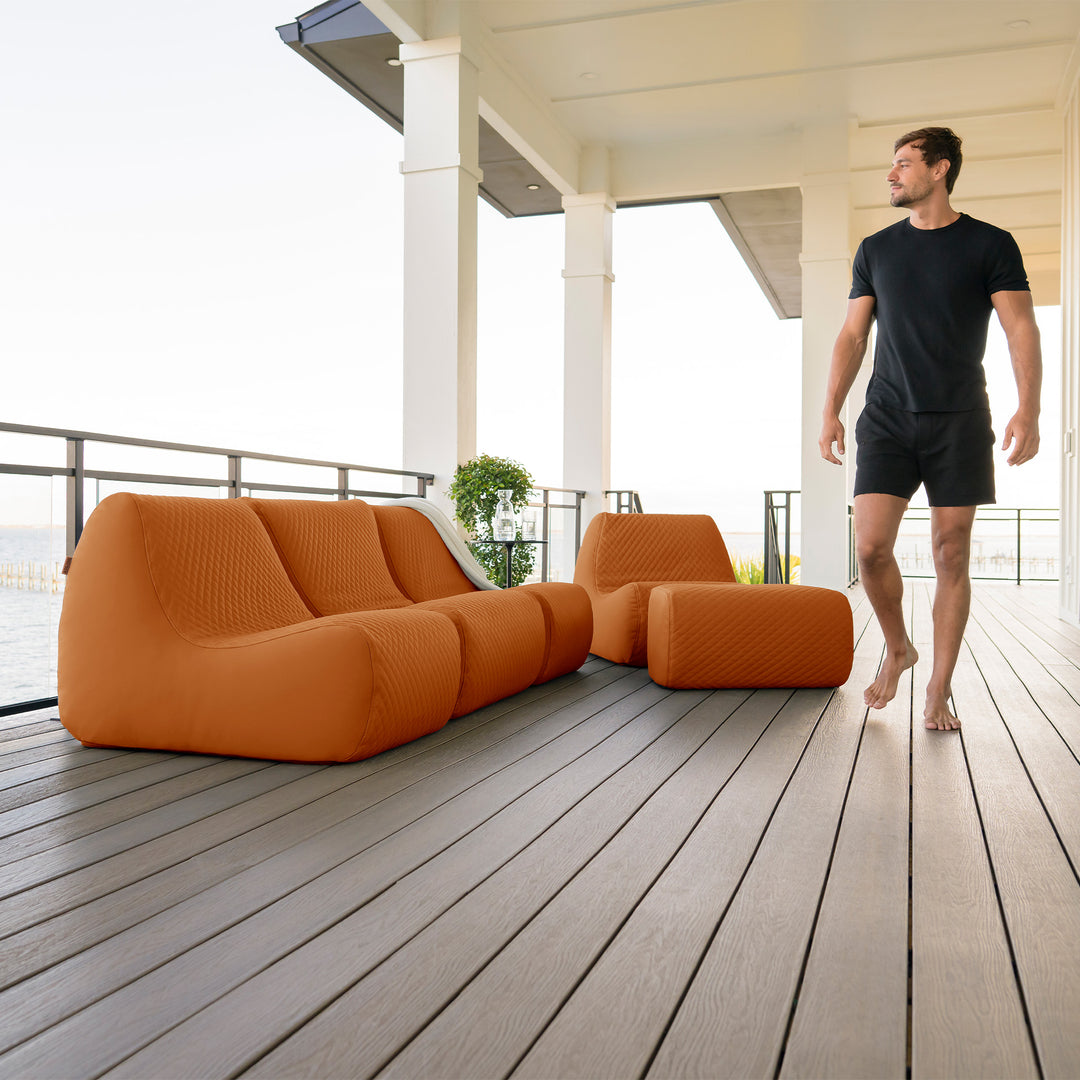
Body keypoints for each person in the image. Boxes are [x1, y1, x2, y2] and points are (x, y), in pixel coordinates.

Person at [818, 127, 1042, 731]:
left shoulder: (990, 244)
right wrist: (830, 408)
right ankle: (898, 648)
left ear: (940, 170)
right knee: (869, 548)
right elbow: (852, 334)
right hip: (887, 417)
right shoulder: (875, 249)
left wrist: (1030, 408)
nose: (891, 175)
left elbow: (1020, 327)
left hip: (961, 421)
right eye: (891, 166)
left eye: (903, 165)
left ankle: (938, 689)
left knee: (951, 553)